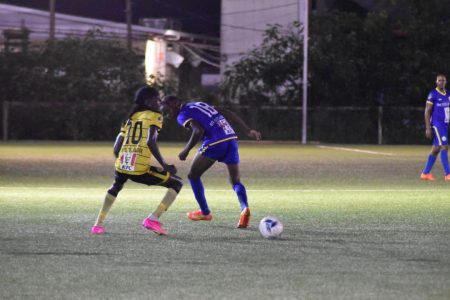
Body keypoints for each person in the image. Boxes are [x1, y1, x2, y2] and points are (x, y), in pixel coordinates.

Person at [91, 86, 183, 235]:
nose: (159, 101)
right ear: (148, 101)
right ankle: (152, 219)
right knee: (177, 183)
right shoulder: (155, 116)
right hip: (139, 169)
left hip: (122, 163)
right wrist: (165, 165)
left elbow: (116, 147)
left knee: (115, 186)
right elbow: (150, 142)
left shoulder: (130, 118)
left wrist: (124, 160)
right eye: (156, 98)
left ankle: (98, 224)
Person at [161, 96, 261, 228]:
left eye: (166, 108)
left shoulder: (182, 114)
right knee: (235, 181)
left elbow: (198, 131)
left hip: (215, 141)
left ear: (174, 104)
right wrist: (247, 130)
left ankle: (205, 212)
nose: (166, 112)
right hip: (231, 138)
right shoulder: (199, 104)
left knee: (193, 175)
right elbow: (227, 112)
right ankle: (244, 209)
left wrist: (186, 150)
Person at [420, 73, 450, 181]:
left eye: (443, 80)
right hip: (437, 125)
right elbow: (427, 111)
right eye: (439, 80)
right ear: (436, 82)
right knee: (445, 147)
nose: (441, 82)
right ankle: (448, 174)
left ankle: (425, 174)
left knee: (436, 149)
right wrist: (428, 127)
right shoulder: (433, 94)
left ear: (445, 82)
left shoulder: (448, 95)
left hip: (445, 125)